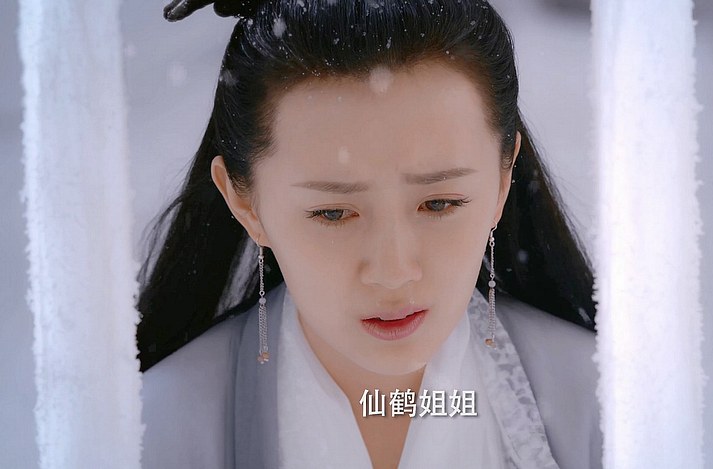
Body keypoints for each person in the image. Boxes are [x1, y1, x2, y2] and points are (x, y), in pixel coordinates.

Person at [137, 0, 602, 468]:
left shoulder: (604, 409)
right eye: (334, 213)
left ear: (503, 180)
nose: (393, 272)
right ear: (244, 202)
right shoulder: (153, 432)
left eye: (439, 203)